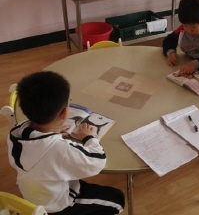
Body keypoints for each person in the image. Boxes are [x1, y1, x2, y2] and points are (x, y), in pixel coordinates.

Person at [7, 71, 124, 215]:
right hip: (59, 206)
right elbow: (98, 161)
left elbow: (42, 150)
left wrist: (53, 132)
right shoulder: (60, 150)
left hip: (37, 196)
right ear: (64, 113)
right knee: (118, 199)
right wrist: (89, 137)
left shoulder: (16, 132)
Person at [163, 0, 199, 73]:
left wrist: (197, 64)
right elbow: (168, 40)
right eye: (185, 25)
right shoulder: (182, 30)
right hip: (189, 64)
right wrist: (171, 53)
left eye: (194, 27)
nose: (189, 31)